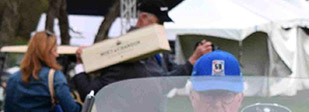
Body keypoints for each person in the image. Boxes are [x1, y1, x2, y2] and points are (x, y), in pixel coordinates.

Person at [70, 1, 212, 97]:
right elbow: (159, 84)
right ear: (143, 17)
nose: (162, 28)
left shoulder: (158, 49)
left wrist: (193, 62)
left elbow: (176, 78)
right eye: (159, 22)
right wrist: (192, 60)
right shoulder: (126, 49)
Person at [154, 51, 256, 112]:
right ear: (192, 96)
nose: (217, 104)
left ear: (240, 99)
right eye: (209, 95)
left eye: (226, 96)